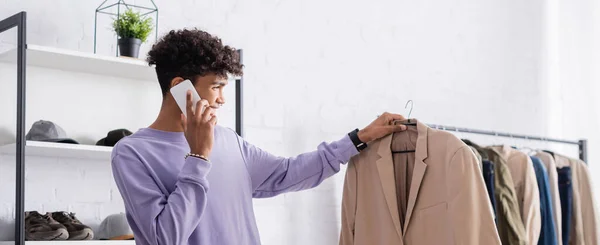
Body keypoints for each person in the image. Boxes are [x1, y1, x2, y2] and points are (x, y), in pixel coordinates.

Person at [110, 28, 408, 245]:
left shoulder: (229, 141)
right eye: (216, 87)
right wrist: (199, 156)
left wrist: (361, 137)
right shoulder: (132, 153)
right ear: (179, 86)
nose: (223, 100)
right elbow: (165, 238)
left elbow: (288, 173)